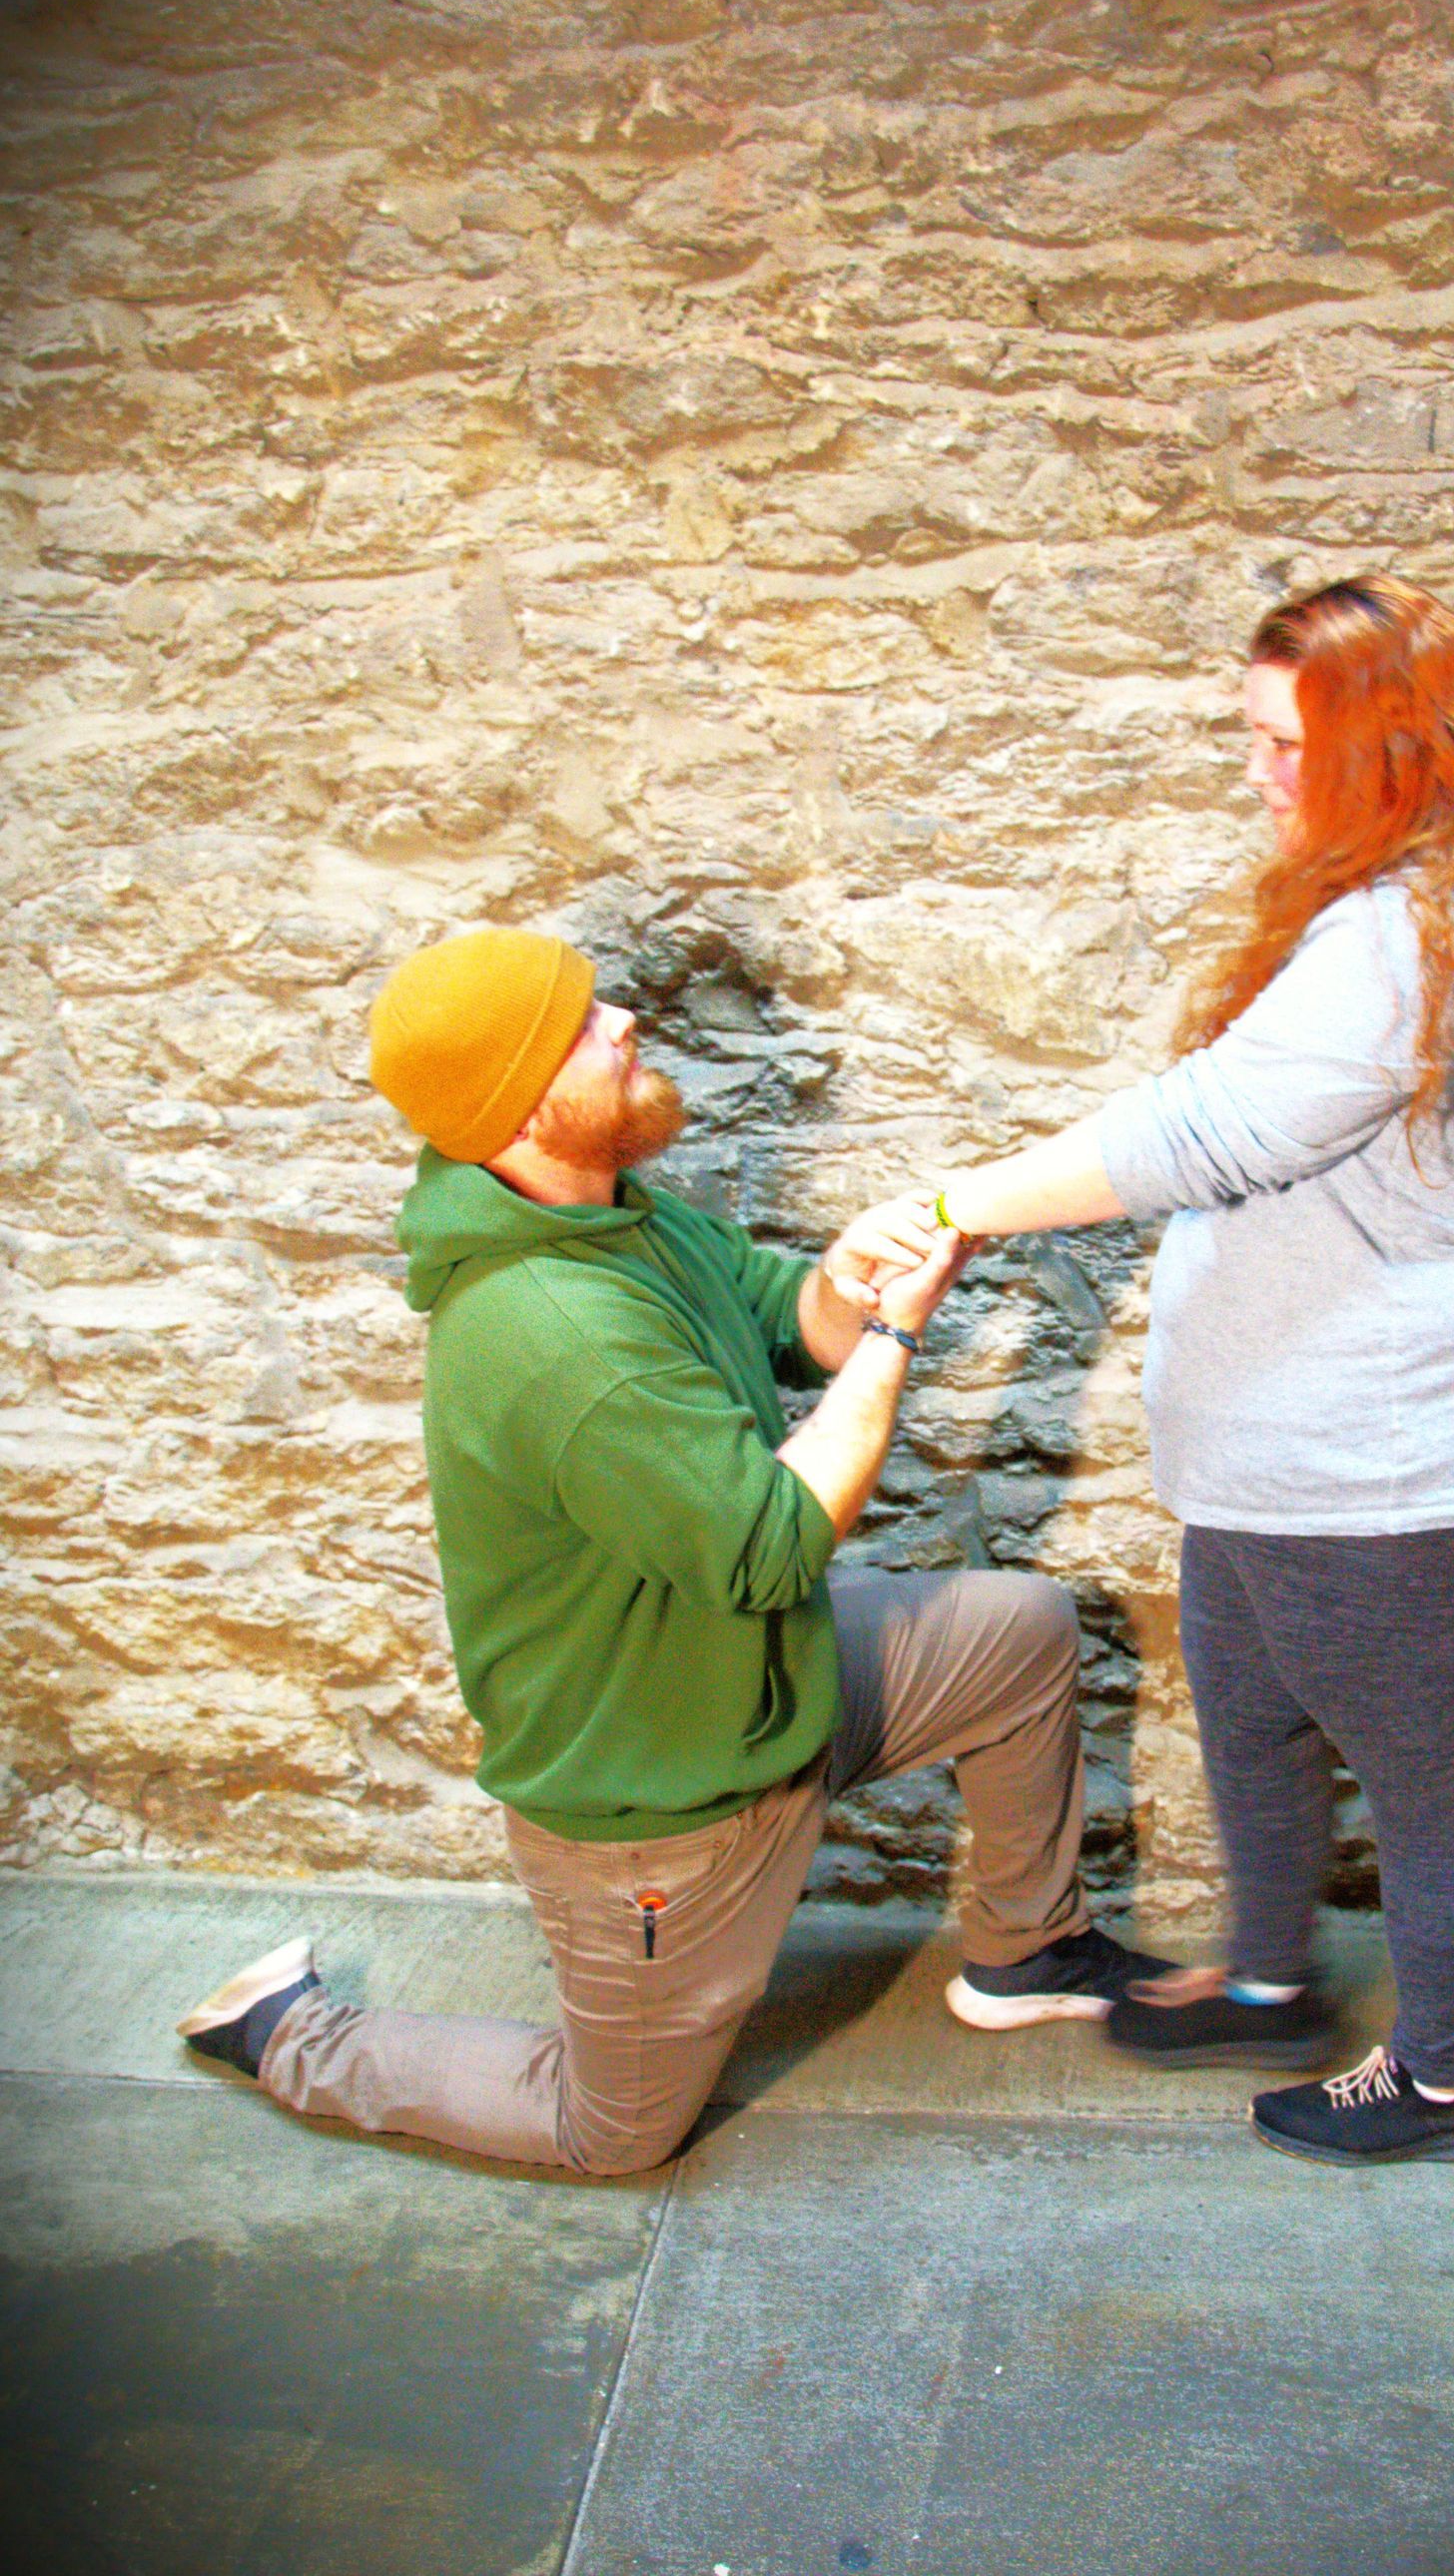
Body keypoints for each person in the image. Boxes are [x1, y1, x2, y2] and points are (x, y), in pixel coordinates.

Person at [870, 575, 1454, 2169]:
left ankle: (1449, 2082)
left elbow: (1203, 1133)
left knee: (1417, 1775)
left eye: (1286, 744)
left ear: (1390, 751)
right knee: (1252, 1709)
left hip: (1403, 1471)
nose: (1258, 774)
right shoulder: (1432, 901)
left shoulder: (1421, 929)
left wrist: (942, 1203)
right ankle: (1268, 1977)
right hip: (1301, 1458)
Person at [177, 927, 1163, 2174]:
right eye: (584, 1026)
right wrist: (896, 1341)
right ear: (523, 1108)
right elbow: (770, 1546)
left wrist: (850, 1283)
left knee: (1016, 1635)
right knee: (612, 2130)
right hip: (661, 1807)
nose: (626, 1021)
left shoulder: (612, 1217)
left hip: (765, 1683)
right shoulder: (552, 1330)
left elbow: (780, 1311)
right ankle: (280, 2029)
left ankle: (1029, 1949)